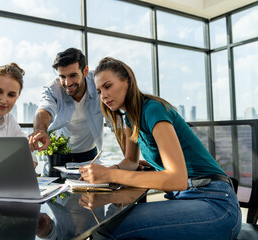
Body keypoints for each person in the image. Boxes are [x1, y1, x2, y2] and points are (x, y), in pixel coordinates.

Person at [79, 57, 242, 239]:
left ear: (127, 81)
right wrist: (102, 173)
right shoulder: (130, 119)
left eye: (108, 86)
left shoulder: (153, 110)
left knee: (108, 229)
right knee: (109, 224)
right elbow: (131, 161)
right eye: (100, 91)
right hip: (185, 198)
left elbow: (177, 178)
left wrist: (110, 175)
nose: (104, 96)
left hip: (215, 203)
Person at [28, 48, 104, 166]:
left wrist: (130, 161)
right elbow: (44, 110)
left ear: (85, 71)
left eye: (73, 75)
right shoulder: (52, 89)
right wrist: (40, 131)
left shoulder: (99, 82)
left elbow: (116, 119)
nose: (67, 83)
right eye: (62, 77)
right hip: (58, 156)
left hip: (90, 155)